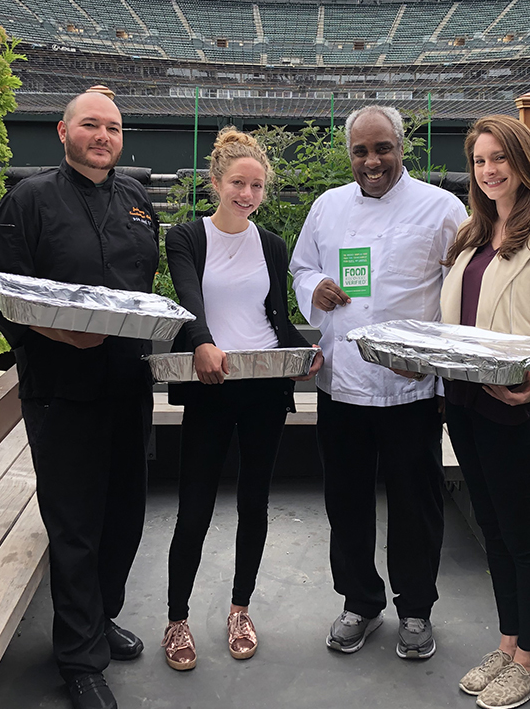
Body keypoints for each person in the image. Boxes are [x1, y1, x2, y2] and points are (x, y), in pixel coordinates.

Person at [0, 89, 158, 709]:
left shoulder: (137, 200)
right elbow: (0, 291)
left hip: (128, 381)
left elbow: (144, 289)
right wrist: (62, 333)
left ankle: (101, 617)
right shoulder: (28, 199)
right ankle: (79, 659)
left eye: (112, 126)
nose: (103, 135)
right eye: (91, 124)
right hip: (63, 388)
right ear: (63, 131)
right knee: (76, 523)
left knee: (125, 512)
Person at [290, 105, 468, 660]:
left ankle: (415, 608)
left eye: (383, 148)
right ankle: (360, 602)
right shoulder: (327, 208)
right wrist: (316, 285)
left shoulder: (442, 210)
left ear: (401, 146)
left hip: (409, 388)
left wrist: (439, 372)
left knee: (416, 503)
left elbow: (457, 294)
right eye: (362, 151)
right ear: (350, 154)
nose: (373, 161)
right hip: (342, 383)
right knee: (345, 501)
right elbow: (299, 267)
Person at [161, 127, 322, 670]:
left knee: (254, 503)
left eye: (256, 186)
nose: (247, 194)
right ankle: (176, 618)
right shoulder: (186, 237)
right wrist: (202, 342)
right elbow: (188, 303)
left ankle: (239, 608)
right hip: (210, 385)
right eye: (237, 183)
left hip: (264, 387)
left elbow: (275, 316)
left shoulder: (271, 244)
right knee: (196, 504)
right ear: (216, 182)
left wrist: (307, 353)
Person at [438, 115, 530, 709]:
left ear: (523, 160)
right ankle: (507, 643)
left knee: (522, 535)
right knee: (492, 530)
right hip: (466, 402)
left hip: (512, 408)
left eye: (499, 158)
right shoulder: (475, 231)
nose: (489, 170)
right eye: (479, 160)